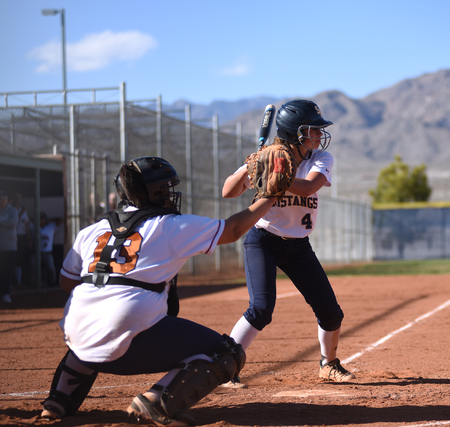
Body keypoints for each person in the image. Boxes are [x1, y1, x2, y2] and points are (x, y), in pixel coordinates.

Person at [40, 157, 278, 426]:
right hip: (125, 340)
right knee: (226, 353)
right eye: (166, 189)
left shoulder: (92, 230)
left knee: (93, 325)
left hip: (76, 333)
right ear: (155, 193)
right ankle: (156, 401)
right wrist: (270, 195)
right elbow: (234, 228)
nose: (170, 195)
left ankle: (57, 400)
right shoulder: (169, 225)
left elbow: (66, 282)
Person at [222, 100, 354, 385]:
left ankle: (328, 364)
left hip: (298, 246)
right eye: (313, 130)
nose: (319, 135)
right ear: (296, 133)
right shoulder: (265, 158)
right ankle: (225, 367)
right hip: (263, 240)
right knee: (261, 309)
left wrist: (272, 174)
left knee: (331, 313)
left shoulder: (320, 159)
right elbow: (228, 192)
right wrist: (250, 167)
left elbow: (307, 188)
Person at [0, 190, 19, 304]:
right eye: (0, 198)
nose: (2, 200)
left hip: (10, 246)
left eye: (4, 198)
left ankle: (6, 294)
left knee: (7, 271)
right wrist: (4, 223)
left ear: (7, 199)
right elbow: (8, 223)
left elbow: (13, 222)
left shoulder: (13, 210)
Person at [11, 192, 32, 287]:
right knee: (16, 259)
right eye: (16, 198)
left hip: (23, 237)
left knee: (24, 259)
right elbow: (15, 221)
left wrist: (29, 240)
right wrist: (22, 212)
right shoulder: (11, 210)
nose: (18, 200)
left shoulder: (23, 211)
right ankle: (17, 281)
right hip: (14, 237)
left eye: (20, 198)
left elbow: (26, 227)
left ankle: (24, 280)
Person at [39, 212, 63, 288]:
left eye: (43, 219)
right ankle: (34, 284)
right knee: (33, 266)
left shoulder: (50, 227)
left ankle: (52, 284)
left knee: (51, 269)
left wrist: (48, 219)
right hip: (37, 253)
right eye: (40, 219)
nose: (41, 221)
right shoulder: (35, 227)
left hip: (47, 253)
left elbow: (61, 219)